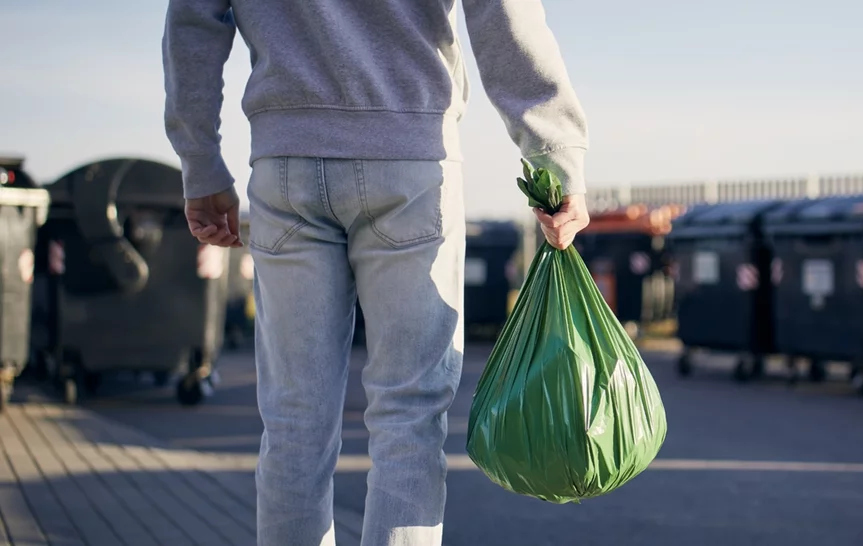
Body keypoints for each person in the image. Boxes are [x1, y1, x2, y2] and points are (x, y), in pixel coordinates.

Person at [162, 1, 589, 545]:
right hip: (411, 162)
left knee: (295, 425)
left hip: (285, 161)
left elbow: (194, 17)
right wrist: (554, 153)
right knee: (409, 420)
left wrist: (200, 161)